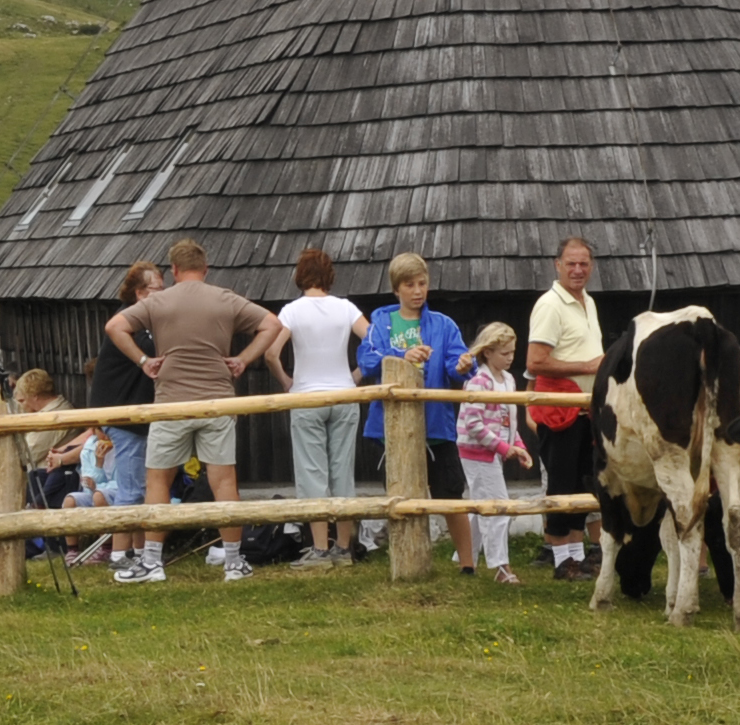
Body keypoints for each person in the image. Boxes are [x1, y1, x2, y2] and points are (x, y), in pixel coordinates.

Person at [105, 237, 284, 584]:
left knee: (158, 478)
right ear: (205, 269)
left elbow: (115, 326)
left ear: (173, 270)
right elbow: (272, 324)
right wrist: (243, 359)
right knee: (224, 481)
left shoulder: (158, 301)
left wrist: (144, 360)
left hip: (172, 402)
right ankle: (234, 563)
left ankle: (152, 562)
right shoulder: (225, 298)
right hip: (217, 401)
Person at [356, 251, 475, 569]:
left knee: (450, 495)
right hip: (391, 426)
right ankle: (405, 561)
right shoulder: (381, 321)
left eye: (422, 283)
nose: (418, 291)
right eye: (410, 285)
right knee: (400, 496)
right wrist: (401, 354)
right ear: (397, 289)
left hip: (436, 424)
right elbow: (367, 360)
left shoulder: (444, 324)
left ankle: (467, 564)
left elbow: (457, 362)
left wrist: (464, 365)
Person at [523, 235, 607, 578]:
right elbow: (536, 361)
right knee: (560, 482)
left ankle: (576, 556)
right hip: (560, 408)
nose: (577, 270)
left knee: (582, 482)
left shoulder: (587, 301)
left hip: (585, 410)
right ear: (557, 265)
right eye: (570, 263)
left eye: (583, 264)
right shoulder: (550, 305)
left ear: (592, 266)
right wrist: (588, 367)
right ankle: (561, 560)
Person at [277, 246, 367, 566]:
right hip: (343, 395)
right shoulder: (346, 308)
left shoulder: (291, 311)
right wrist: (355, 375)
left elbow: (272, 352)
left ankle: (319, 549)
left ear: (300, 276)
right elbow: (372, 342)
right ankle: (343, 548)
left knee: (312, 474)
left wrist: (287, 381)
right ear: (329, 276)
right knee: (343, 473)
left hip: (306, 397)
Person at [74, 260, 160, 562]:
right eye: (157, 290)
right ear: (140, 293)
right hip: (124, 417)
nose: (162, 295)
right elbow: (154, 352)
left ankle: (135, 550)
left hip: (129, 415)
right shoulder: (130, 322)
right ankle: (119, 554)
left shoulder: (138, 322)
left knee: (138, 485)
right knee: (131, 488)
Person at [456, 323, 532, 580]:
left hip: (493, 452)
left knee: (481, 506)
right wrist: (503, 447)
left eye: (512, 352)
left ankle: (466, 557)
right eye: (504, 353)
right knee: (498, 506)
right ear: (487, 353)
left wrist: (518, 446)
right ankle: (500, 566)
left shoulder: (509, 381)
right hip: (476, 452)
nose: (510, 358)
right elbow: (473, 424)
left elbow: (508, 419)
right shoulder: (479, 382)